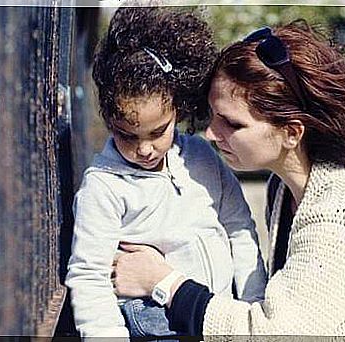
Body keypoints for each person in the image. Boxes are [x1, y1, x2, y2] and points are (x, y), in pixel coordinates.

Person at [113, 19, 345, 335]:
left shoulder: (343, 214)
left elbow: (273, 332)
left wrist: (164, 281)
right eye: (213, 116)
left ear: (291, 132)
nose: (211, 134)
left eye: (232, 124)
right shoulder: (284, 187)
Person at [64, 6, 267, 338]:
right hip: (155, 328)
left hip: (214, 314)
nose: (144, 149)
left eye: (158, 131)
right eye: (127, 135)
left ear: (179, 108)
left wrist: (252, 304)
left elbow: (240, 230)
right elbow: (89, 276)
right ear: (108, 120)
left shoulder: (202, 157)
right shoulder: (103, 186)